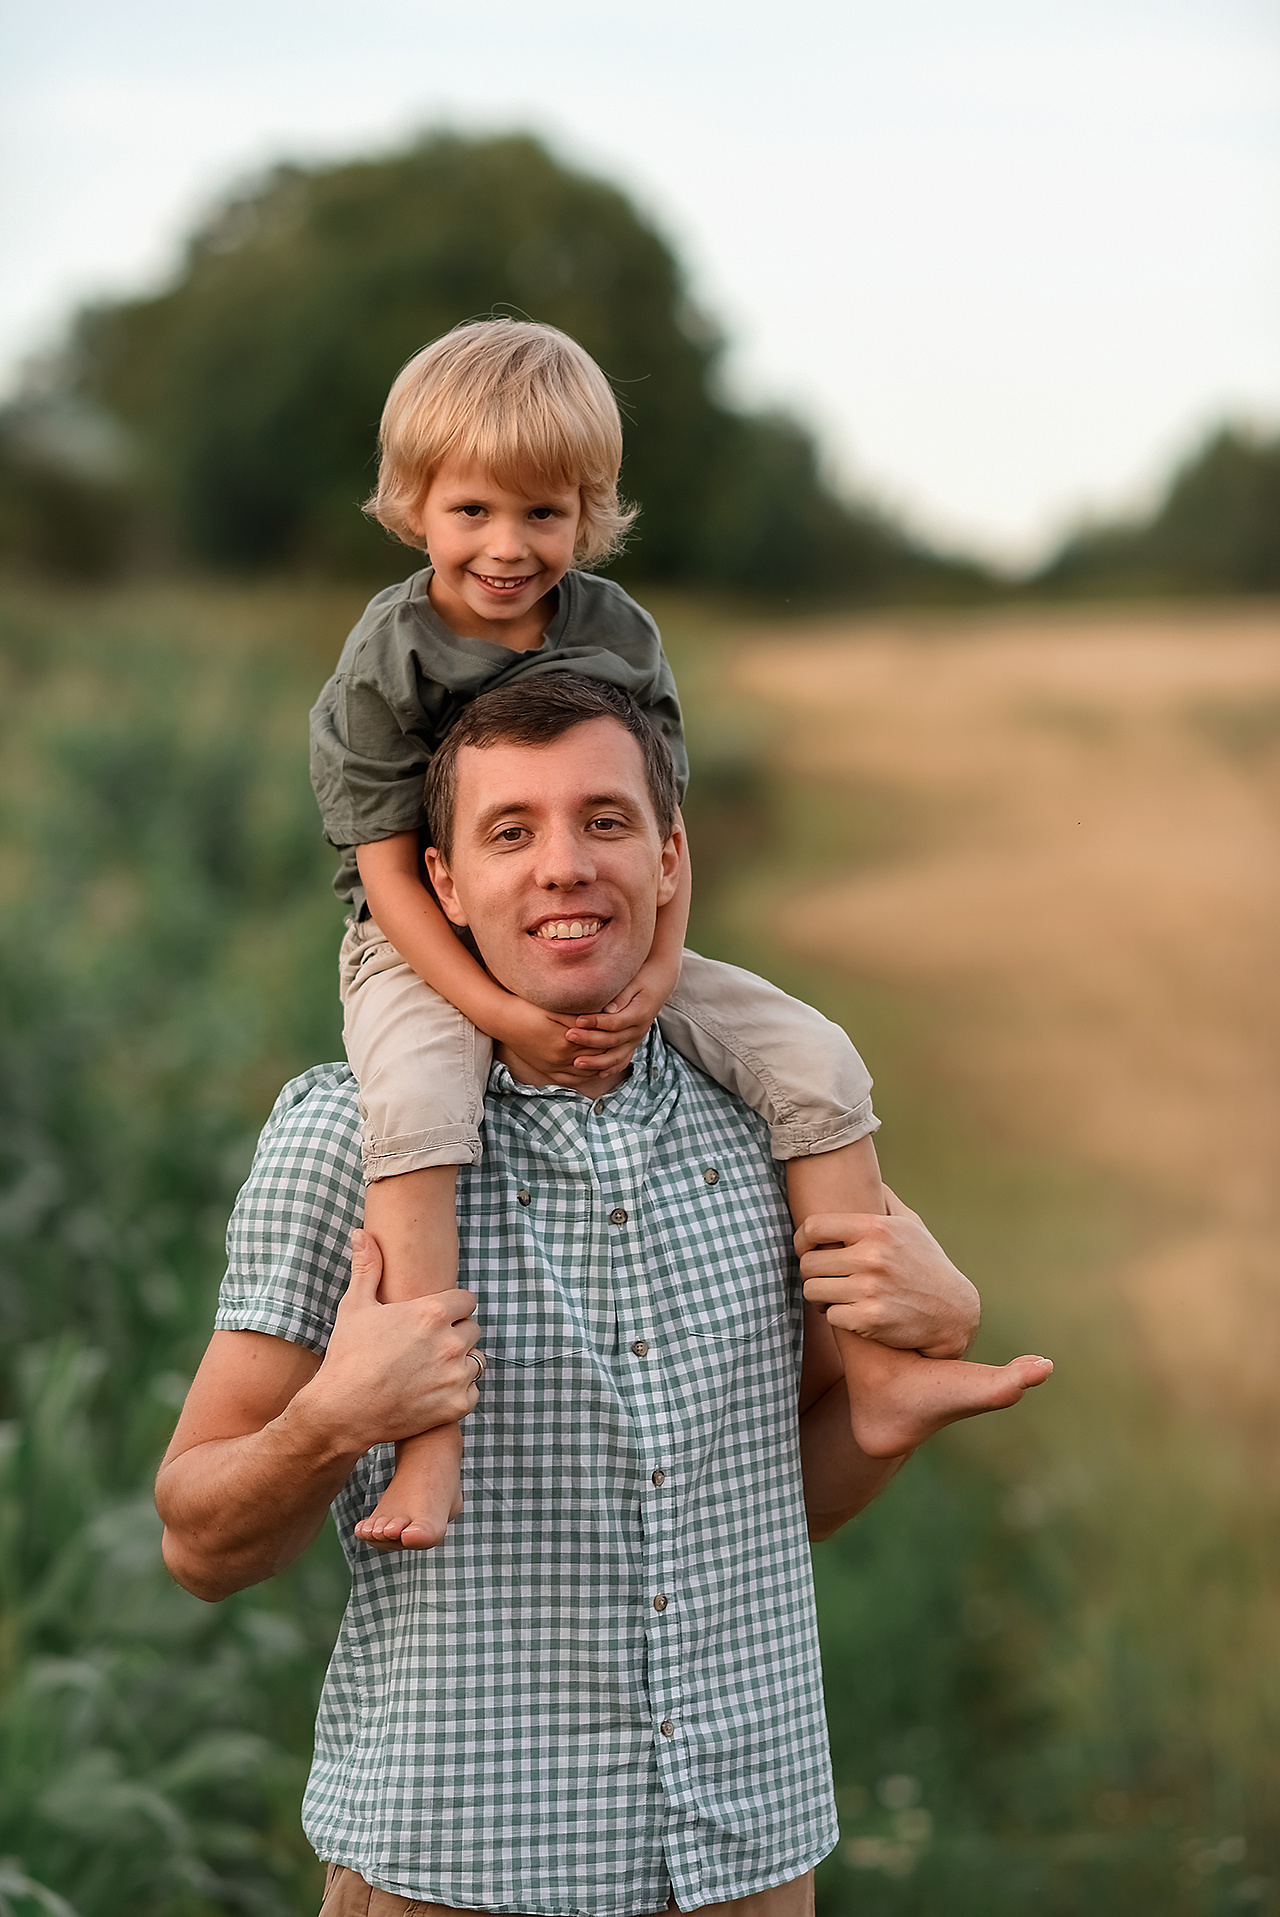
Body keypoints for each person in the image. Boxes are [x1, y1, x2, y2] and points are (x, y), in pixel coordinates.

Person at [156, 678, 1051, 1917]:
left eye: (606, 822)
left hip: (743, 1859)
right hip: (453, 1870)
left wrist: (896, 1389)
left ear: (669, 852)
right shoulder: (347, 1144)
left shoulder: (774, 1131)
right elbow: (198, 1544)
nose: (563, 867)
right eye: (510, 833)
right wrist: (331, 1420)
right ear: (443, 884)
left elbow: (739, 1532)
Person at [307, 317, 1041, 1553]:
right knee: (418, 1109)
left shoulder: (618, 636)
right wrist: (496, 1016)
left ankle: (876, 1370)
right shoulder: (387, 656)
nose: (506, 546)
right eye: (473, 510)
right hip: (422, 947)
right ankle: (429, 1440)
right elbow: (384, 866)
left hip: (606, 938)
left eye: (542, 514)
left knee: (810, 1054)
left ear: (586, 513)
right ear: (411, 505)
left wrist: (651, 982)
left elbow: (664, 833)